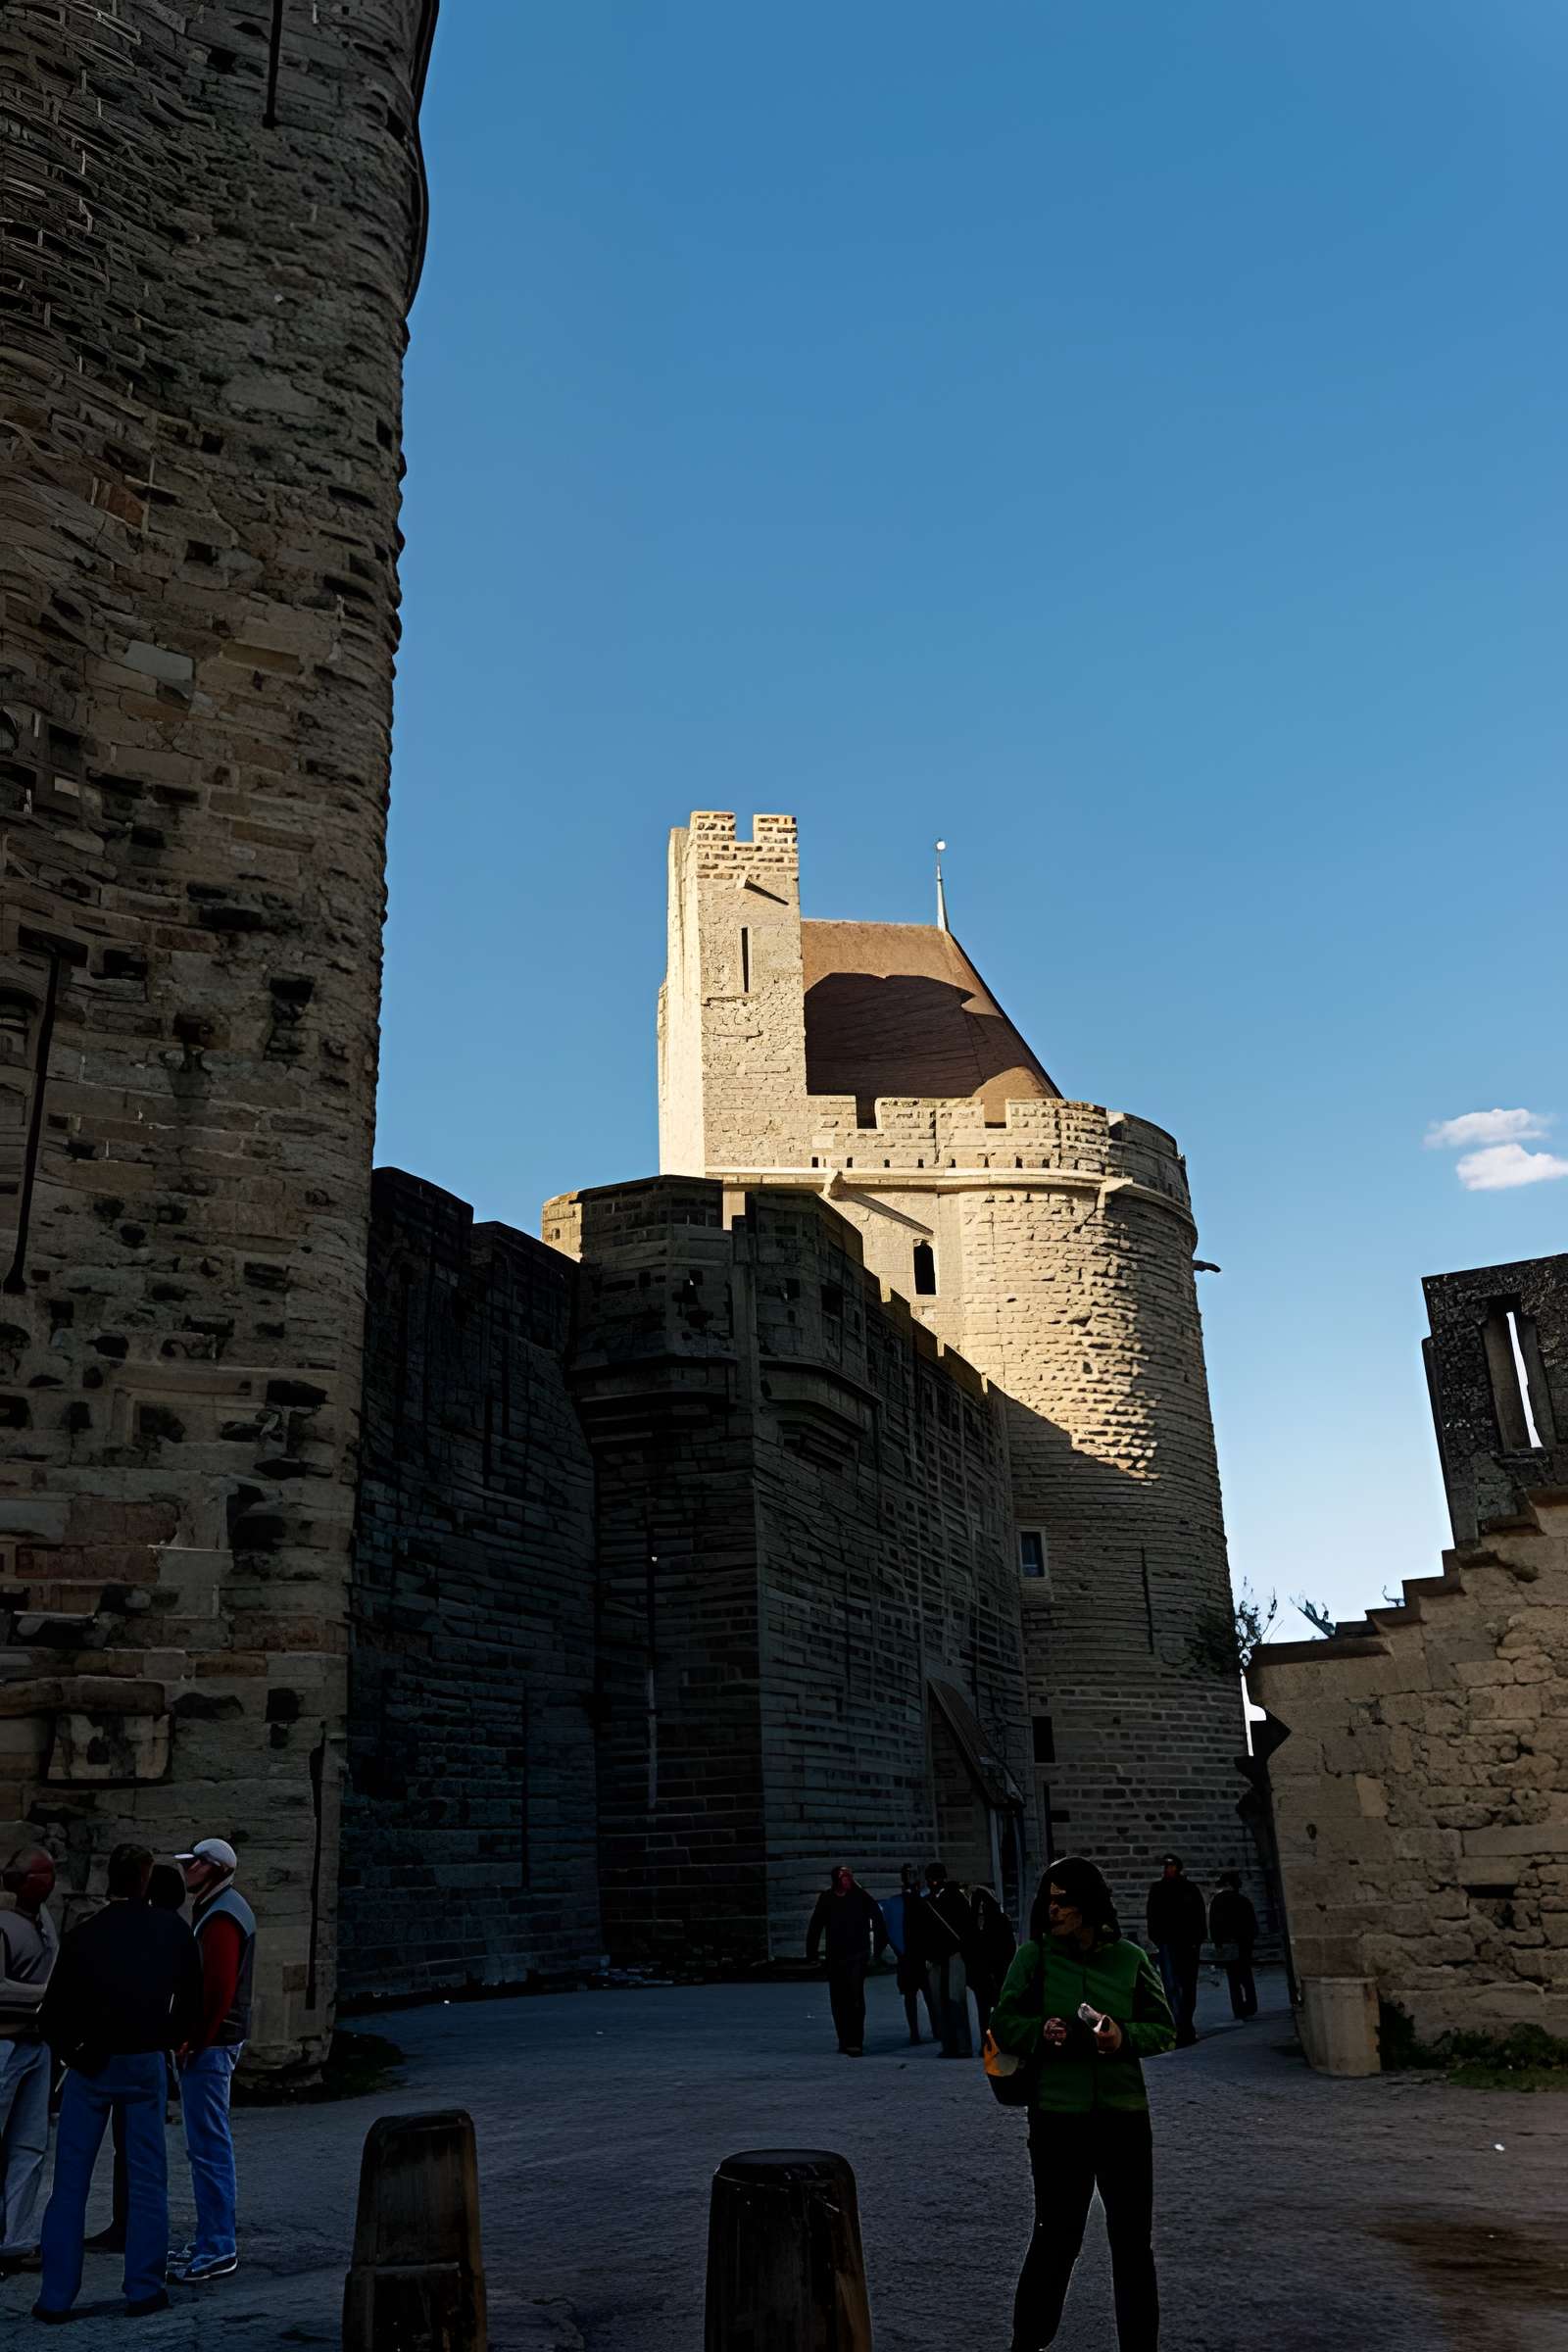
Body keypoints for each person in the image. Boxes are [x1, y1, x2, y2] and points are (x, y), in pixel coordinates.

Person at [991, 1855, 1174, 2351]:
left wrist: (1122, 2037)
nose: (1052, 1910)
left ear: (1088, 1905)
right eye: (1047, 1901)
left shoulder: (1130, 1959)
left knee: (1133, 2247)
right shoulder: (1033, 1958)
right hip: (1057, 2118)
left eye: (1062, 1901)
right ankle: (1027, 2343)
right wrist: (1038, 2032)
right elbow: (1002, 2021)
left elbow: (1164, 2029)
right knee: (1055, 2239)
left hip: (1123, 2118)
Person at [32, 1841, 203, 2323]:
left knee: (70, 2183)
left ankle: (56, 2296)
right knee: (148, 2178)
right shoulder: (171, 1931)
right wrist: (163, 2038)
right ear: (146, 1879)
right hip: (142, 2057)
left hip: (92, 2062)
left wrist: (78, 2052)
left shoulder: (85, 1936)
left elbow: (53, 2012)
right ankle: (144, 2288)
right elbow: (192, 2004)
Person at [85, 1863, 189, 2258]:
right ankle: (135, 2225)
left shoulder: (153, 1935)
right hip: (150, 2050)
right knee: (140, 2147)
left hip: (135, 2049)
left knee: (130, 2146)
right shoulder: (170, 1932)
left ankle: (129, 2226)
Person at [170, 1836, 255, 2283]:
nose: (188, 1870)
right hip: (215, 2040)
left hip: (214, 2043)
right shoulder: (219, 1907)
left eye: (195, 1864)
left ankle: (219, 2246)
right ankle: (211, 2241)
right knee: (207, 2145)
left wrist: (196, 2040)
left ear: (215, 1869)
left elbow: (218, 1989)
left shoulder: (222, 1916)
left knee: (208, 2147)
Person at [0, 1847, 59, 2278]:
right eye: (41, 1874)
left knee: (29, 2145)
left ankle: (15, 2240)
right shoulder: (3, 1926)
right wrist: (46, 1997)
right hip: (4, 2044)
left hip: (36, 2045)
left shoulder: (46, 1924)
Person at [806, 1867, 888, 2056]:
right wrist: (812, 1952)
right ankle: (844, 2039)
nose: (847, 1880)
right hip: (835, 1956)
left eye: (849, 1876)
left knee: (855, 1998)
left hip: (857, 1955)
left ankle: (855, 2041)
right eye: (843, 1876)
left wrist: (877, 1950)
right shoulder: (827, 1898)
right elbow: (816, 1924)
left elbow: (877, 1917)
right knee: (838, 2000)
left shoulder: (860, 1896)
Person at [1145, 1854, 1205, 2048]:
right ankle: (1179, 2027)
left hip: (1187, 1944)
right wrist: (1159, 1938)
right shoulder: (1158, 1889)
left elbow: (1198, 1915)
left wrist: (1197, 1939)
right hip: (1168, 1943)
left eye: (1171, 1866)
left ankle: (1186, 2025)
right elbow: (1152, 1915)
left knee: (1187, 1986)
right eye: (1166, 1866)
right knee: (1171, 1986)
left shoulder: (1189, 1889)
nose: (1168, 1869)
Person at [914, 1863, 974, 2057]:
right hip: (940, 1955)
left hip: (952, 1954)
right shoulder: (932, 1900)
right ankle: (951, 2045)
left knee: (953, 2001)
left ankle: (960, 2046)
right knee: (944, 2003)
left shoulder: (951, 1898)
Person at [964, 1881, 1017, 2045]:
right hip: (992, 1972)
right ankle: (992, 2041)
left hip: (989, 1972)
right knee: (992, 2009)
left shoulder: (976, 1923)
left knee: (987, 2010)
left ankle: (989, 2041)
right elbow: (1010, 1948)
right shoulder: (997, 1920)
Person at [893, 1864, 937, 2044]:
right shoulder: (921, 1902)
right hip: (915, 1955)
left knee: (918, 1996)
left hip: (911, 1955)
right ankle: (931, 2030)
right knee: (924, 1996)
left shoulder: (904, 1902)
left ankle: (918, 2032)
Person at [1208, 1872, 1258, 2021]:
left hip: (1228, 1944)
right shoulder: (1243, 1900)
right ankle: (1251, 2005)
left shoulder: (1218, 1901)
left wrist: (1218, 1943)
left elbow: (1214, 1925)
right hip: (1244, 1943)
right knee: (1246, 1976)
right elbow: (1252, 1926)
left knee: (1233, 1979)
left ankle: (1238, 2009)